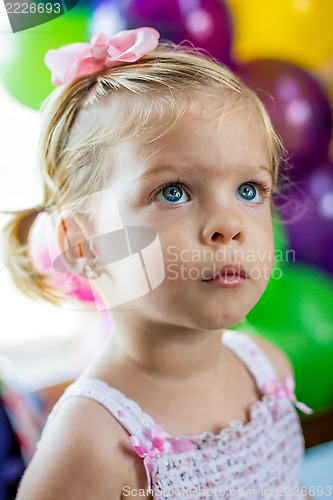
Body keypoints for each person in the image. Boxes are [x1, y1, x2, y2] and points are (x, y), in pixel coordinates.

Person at [2, 27, 313, 499]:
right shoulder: (93, 442)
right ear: (83, 243)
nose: (228, 224)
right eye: (174, 192)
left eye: (249, 190)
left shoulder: (268, 370)